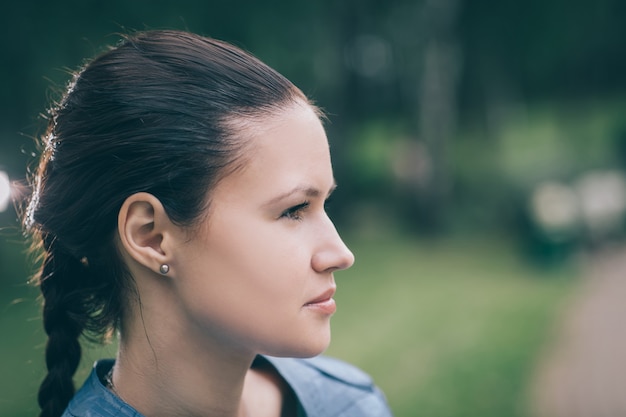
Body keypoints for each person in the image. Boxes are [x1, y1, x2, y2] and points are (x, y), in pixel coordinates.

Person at [23, 30, 393, 417]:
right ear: (151, 236)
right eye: (293, 209)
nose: (341, 254)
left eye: (323, 204)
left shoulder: (349, 404)